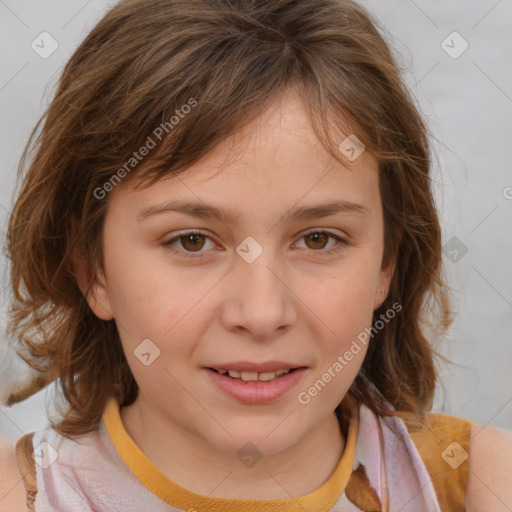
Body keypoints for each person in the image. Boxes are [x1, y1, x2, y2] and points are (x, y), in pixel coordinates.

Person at [1, 0, 511, 510]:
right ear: (92, 269)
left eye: (318, 239)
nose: (262, 313)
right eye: (192, 241)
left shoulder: (481, 484)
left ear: (386, 263)